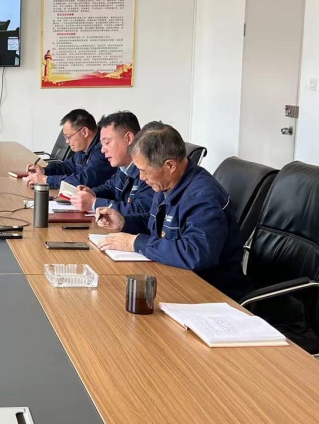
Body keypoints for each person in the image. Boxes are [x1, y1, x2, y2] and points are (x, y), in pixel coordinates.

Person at [95, 122, 248, 299]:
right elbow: (156, 224)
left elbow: (196, 253)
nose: (142, 178)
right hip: (174, 277)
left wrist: (136, 243)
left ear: (170, 165)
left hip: (209, 293)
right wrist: (124, 222)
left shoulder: (203, 197)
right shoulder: (166, 183)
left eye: (145, 171)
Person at [69, 112, 155, 216]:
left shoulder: (149, 169)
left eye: (107, 142)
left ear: (128, 138)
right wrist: (92, 193)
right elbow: (111, 187)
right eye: (102, 144)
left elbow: (141, 210)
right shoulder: (124, 167)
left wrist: (94, 203)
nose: (102, 150)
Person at [24, 108, 113, 190]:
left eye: (69, 137)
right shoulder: (83, 149)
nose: (67, 142)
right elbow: (67, 167)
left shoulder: (103, 150)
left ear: (84, 132)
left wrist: (46, 180)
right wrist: (45, 171)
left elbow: (84, 181)